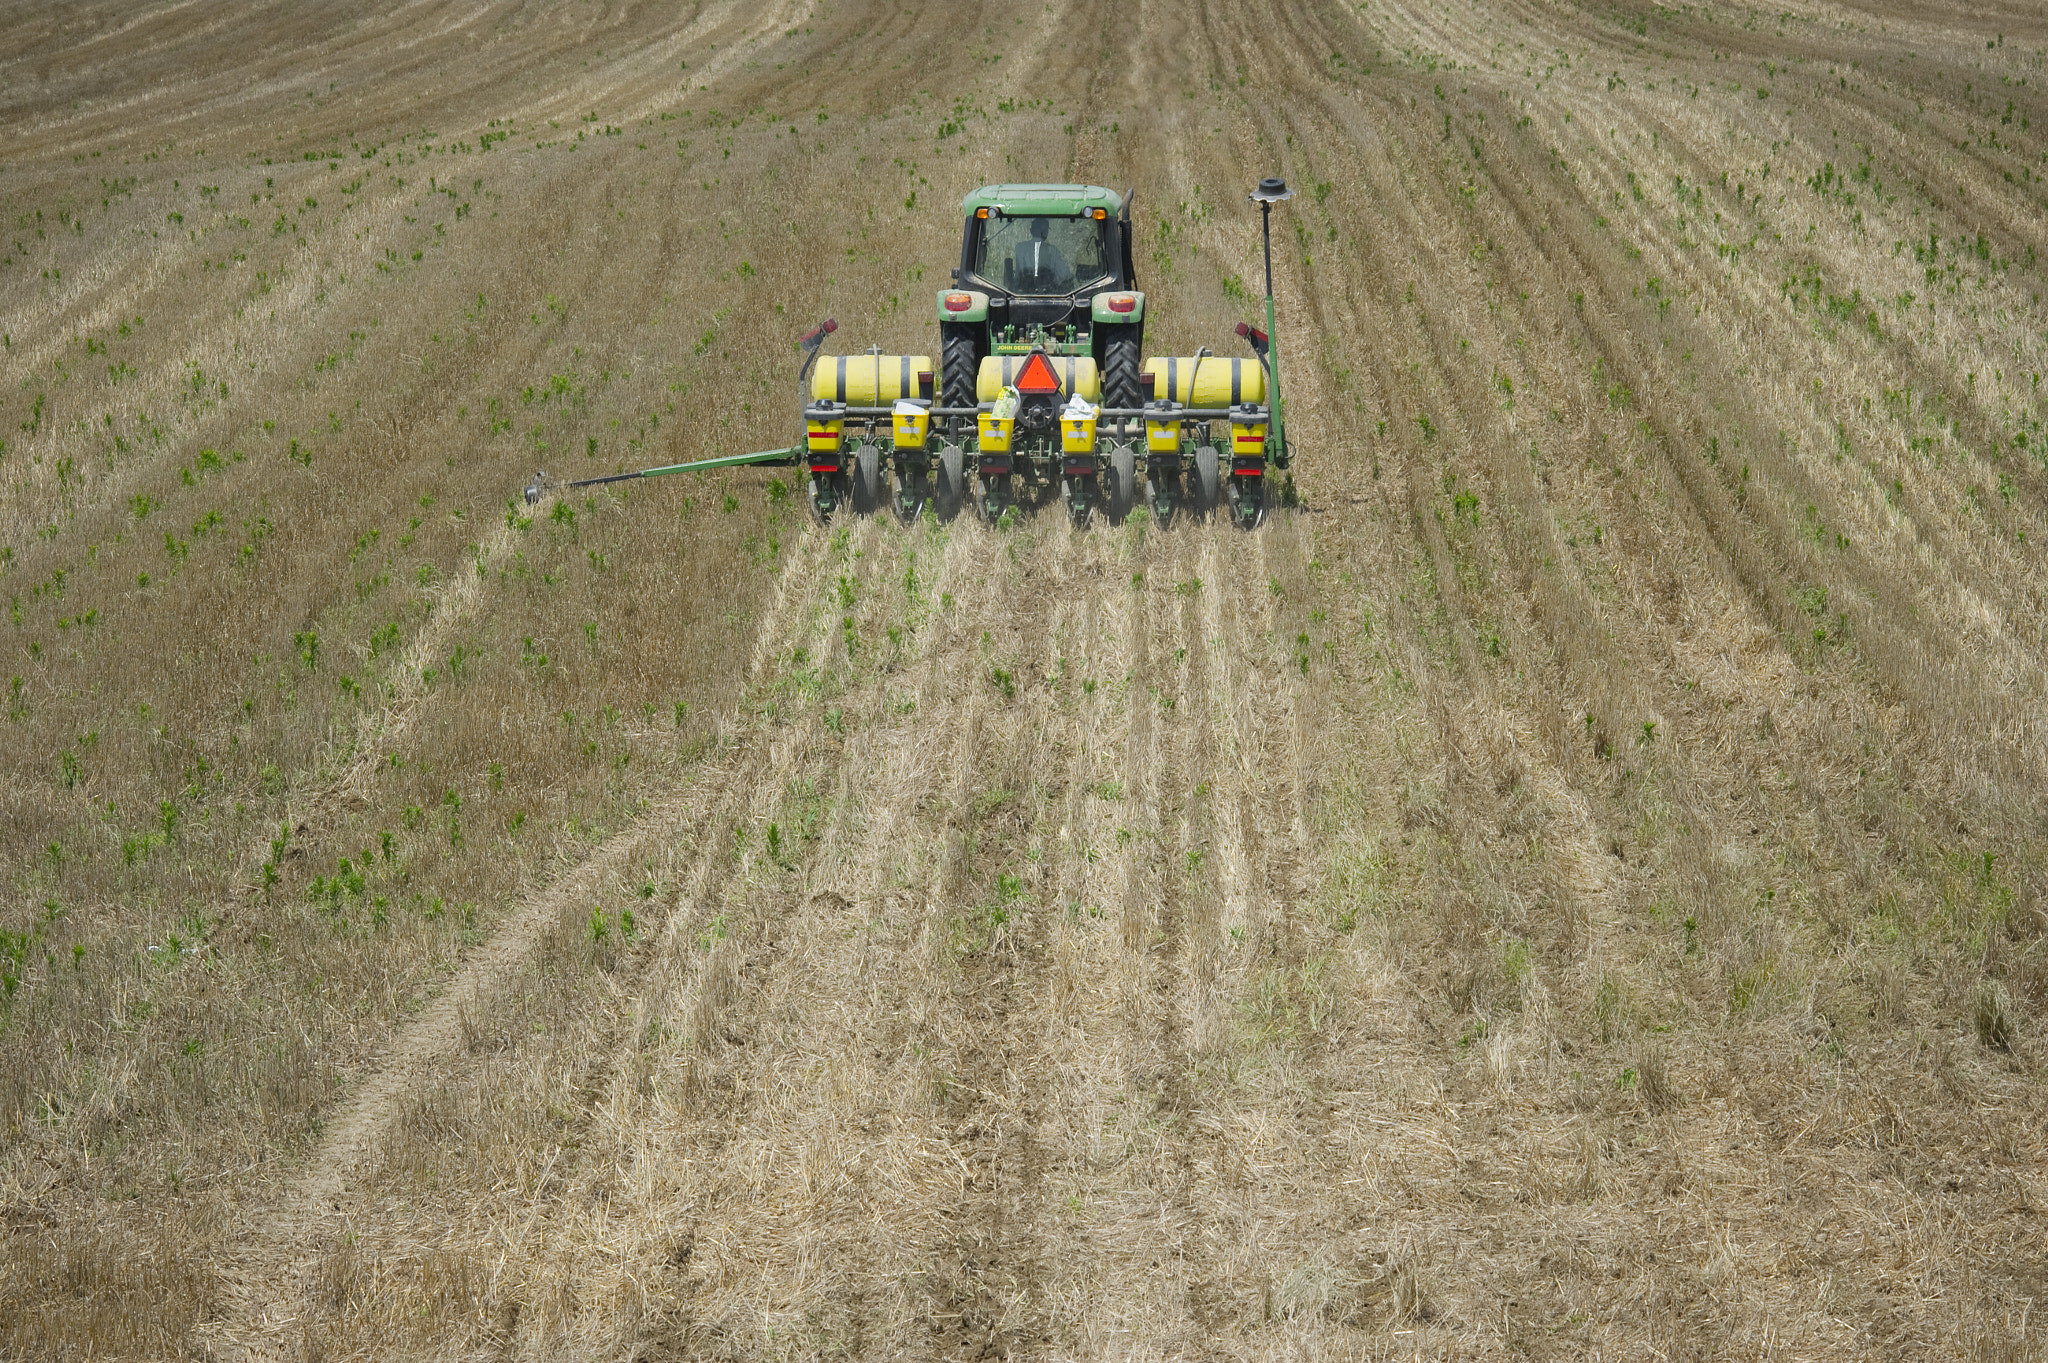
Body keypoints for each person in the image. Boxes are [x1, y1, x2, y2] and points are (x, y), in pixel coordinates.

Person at [1014, 217, 1070, 292]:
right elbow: (1063, 274)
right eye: (1044, 230)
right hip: (1044, 293)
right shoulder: (1052, 250)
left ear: (1031, 231)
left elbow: (1017, 277)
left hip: (1026, 293)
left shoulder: (1020, 248)